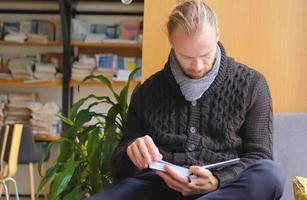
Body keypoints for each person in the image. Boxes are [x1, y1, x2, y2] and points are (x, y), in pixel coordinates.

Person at [89, 0, 284, 199]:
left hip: (223, 189)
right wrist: (132, 152)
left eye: (205, 54)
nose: (198, 66)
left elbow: (260, 156)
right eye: (186, 56)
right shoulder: (147, 91)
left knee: (271, 176)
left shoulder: (252, 84)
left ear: (217, 34)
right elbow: (120, 167)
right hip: (157, 188)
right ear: (172, 43)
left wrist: (217, 180)